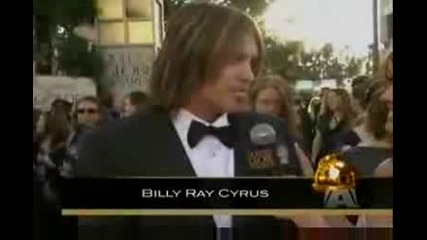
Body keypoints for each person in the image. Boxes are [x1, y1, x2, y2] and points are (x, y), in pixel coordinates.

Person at [77, 3, 310, 240]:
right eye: (236, 59)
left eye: (252, 62)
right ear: (190, 57)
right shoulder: (110, 147)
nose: (249, 75)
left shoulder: (271, 133)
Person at [311, 89, 354, 165]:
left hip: (346, 158)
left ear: (342, 99)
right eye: (328, 99)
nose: (330, 101)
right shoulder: (325, 118)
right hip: (325, 157)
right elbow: (317, 139)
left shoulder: (351, 118)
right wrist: (313, 159)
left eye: (333, 98)